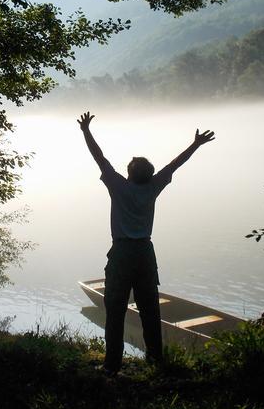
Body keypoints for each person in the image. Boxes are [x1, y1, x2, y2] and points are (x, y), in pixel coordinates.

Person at [77, 111, 215, 375]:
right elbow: (174, 165)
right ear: (149, 175)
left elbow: (99, 157)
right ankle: (156, 361)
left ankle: (111, 366)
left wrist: (86, 130)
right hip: (145, 253)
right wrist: (195, 145)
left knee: (115, 309)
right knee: (149, 309)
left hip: (122, 253)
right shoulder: (153, 186)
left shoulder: (118, 186)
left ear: (128, 174)